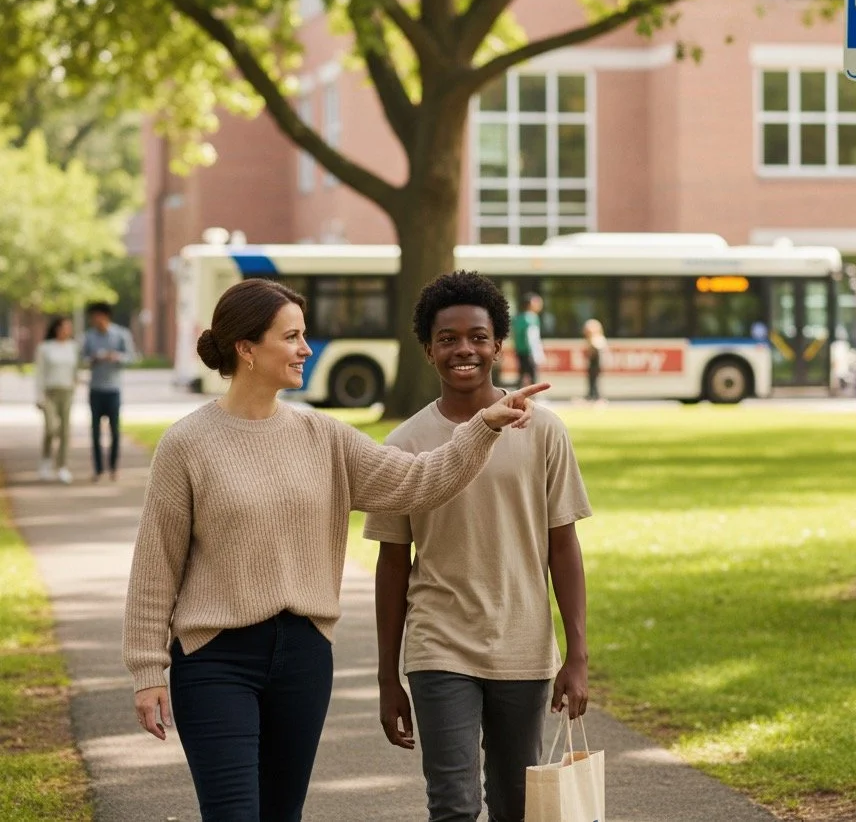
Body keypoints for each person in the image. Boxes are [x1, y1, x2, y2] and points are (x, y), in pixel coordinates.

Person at [122, 278, 548, 822]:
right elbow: (155, 564)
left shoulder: (324, 436)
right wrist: (147, 670)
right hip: (215, 659)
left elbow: (419, 482)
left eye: (305, 335)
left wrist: (481, 428)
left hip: (302, 657)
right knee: (232, 812)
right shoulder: (186, 443)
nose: (306, 349)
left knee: (281, 813)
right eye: (292, 337)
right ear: (246, 348)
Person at [364, 271, 590, 822]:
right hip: (439, 644)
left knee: (516, 803)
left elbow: (564, 545)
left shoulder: (543, 432)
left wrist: (577, 652)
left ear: (497, 345)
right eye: (448, 338)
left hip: (524, 646)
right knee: (454, 804)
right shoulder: (402, 445)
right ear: (428, 349)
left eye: (477, 336)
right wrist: (386, 676)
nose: (463, 349)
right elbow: (393, 564)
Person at [80, 301, 137, 482]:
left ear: (105, 316)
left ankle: (113, 468)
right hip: (95, 389)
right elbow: (82, 358)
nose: (94, 320)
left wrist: (116, 357)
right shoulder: (88, 337)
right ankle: (98, 469)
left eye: (97, 316)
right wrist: (93, 359)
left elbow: (132, 358)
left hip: (113, 389)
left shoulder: (120, 335)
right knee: (95, 432)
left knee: (115, 431)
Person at [34, 316, 80, 484]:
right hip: (49, 393)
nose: (68, 330)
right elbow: (39, 373)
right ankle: (46, 460)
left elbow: (75, 371)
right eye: (65, 327)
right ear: (57, 329)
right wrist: (38, 397)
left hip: (67, 392)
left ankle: (62, 466)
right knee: (51, 428)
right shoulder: (45, 348)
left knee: (65, 431)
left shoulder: (73, 347)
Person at [512, 291, 545, 386]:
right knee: (532, 374)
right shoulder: (531, 317)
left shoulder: (518, 318)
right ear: (530, 304)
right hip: (529, 351)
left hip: (519, 350)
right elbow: (532, 337)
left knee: (522, 374)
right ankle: (534, 395)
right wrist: (537, 353)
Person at [582, 317, 607, 402]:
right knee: (591, 381)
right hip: (592, 364)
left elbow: (596, 352)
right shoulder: (591, 339)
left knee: (595, 381)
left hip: (596, 364)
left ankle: (596, 397)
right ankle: (591, 396)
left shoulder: (597, 339)